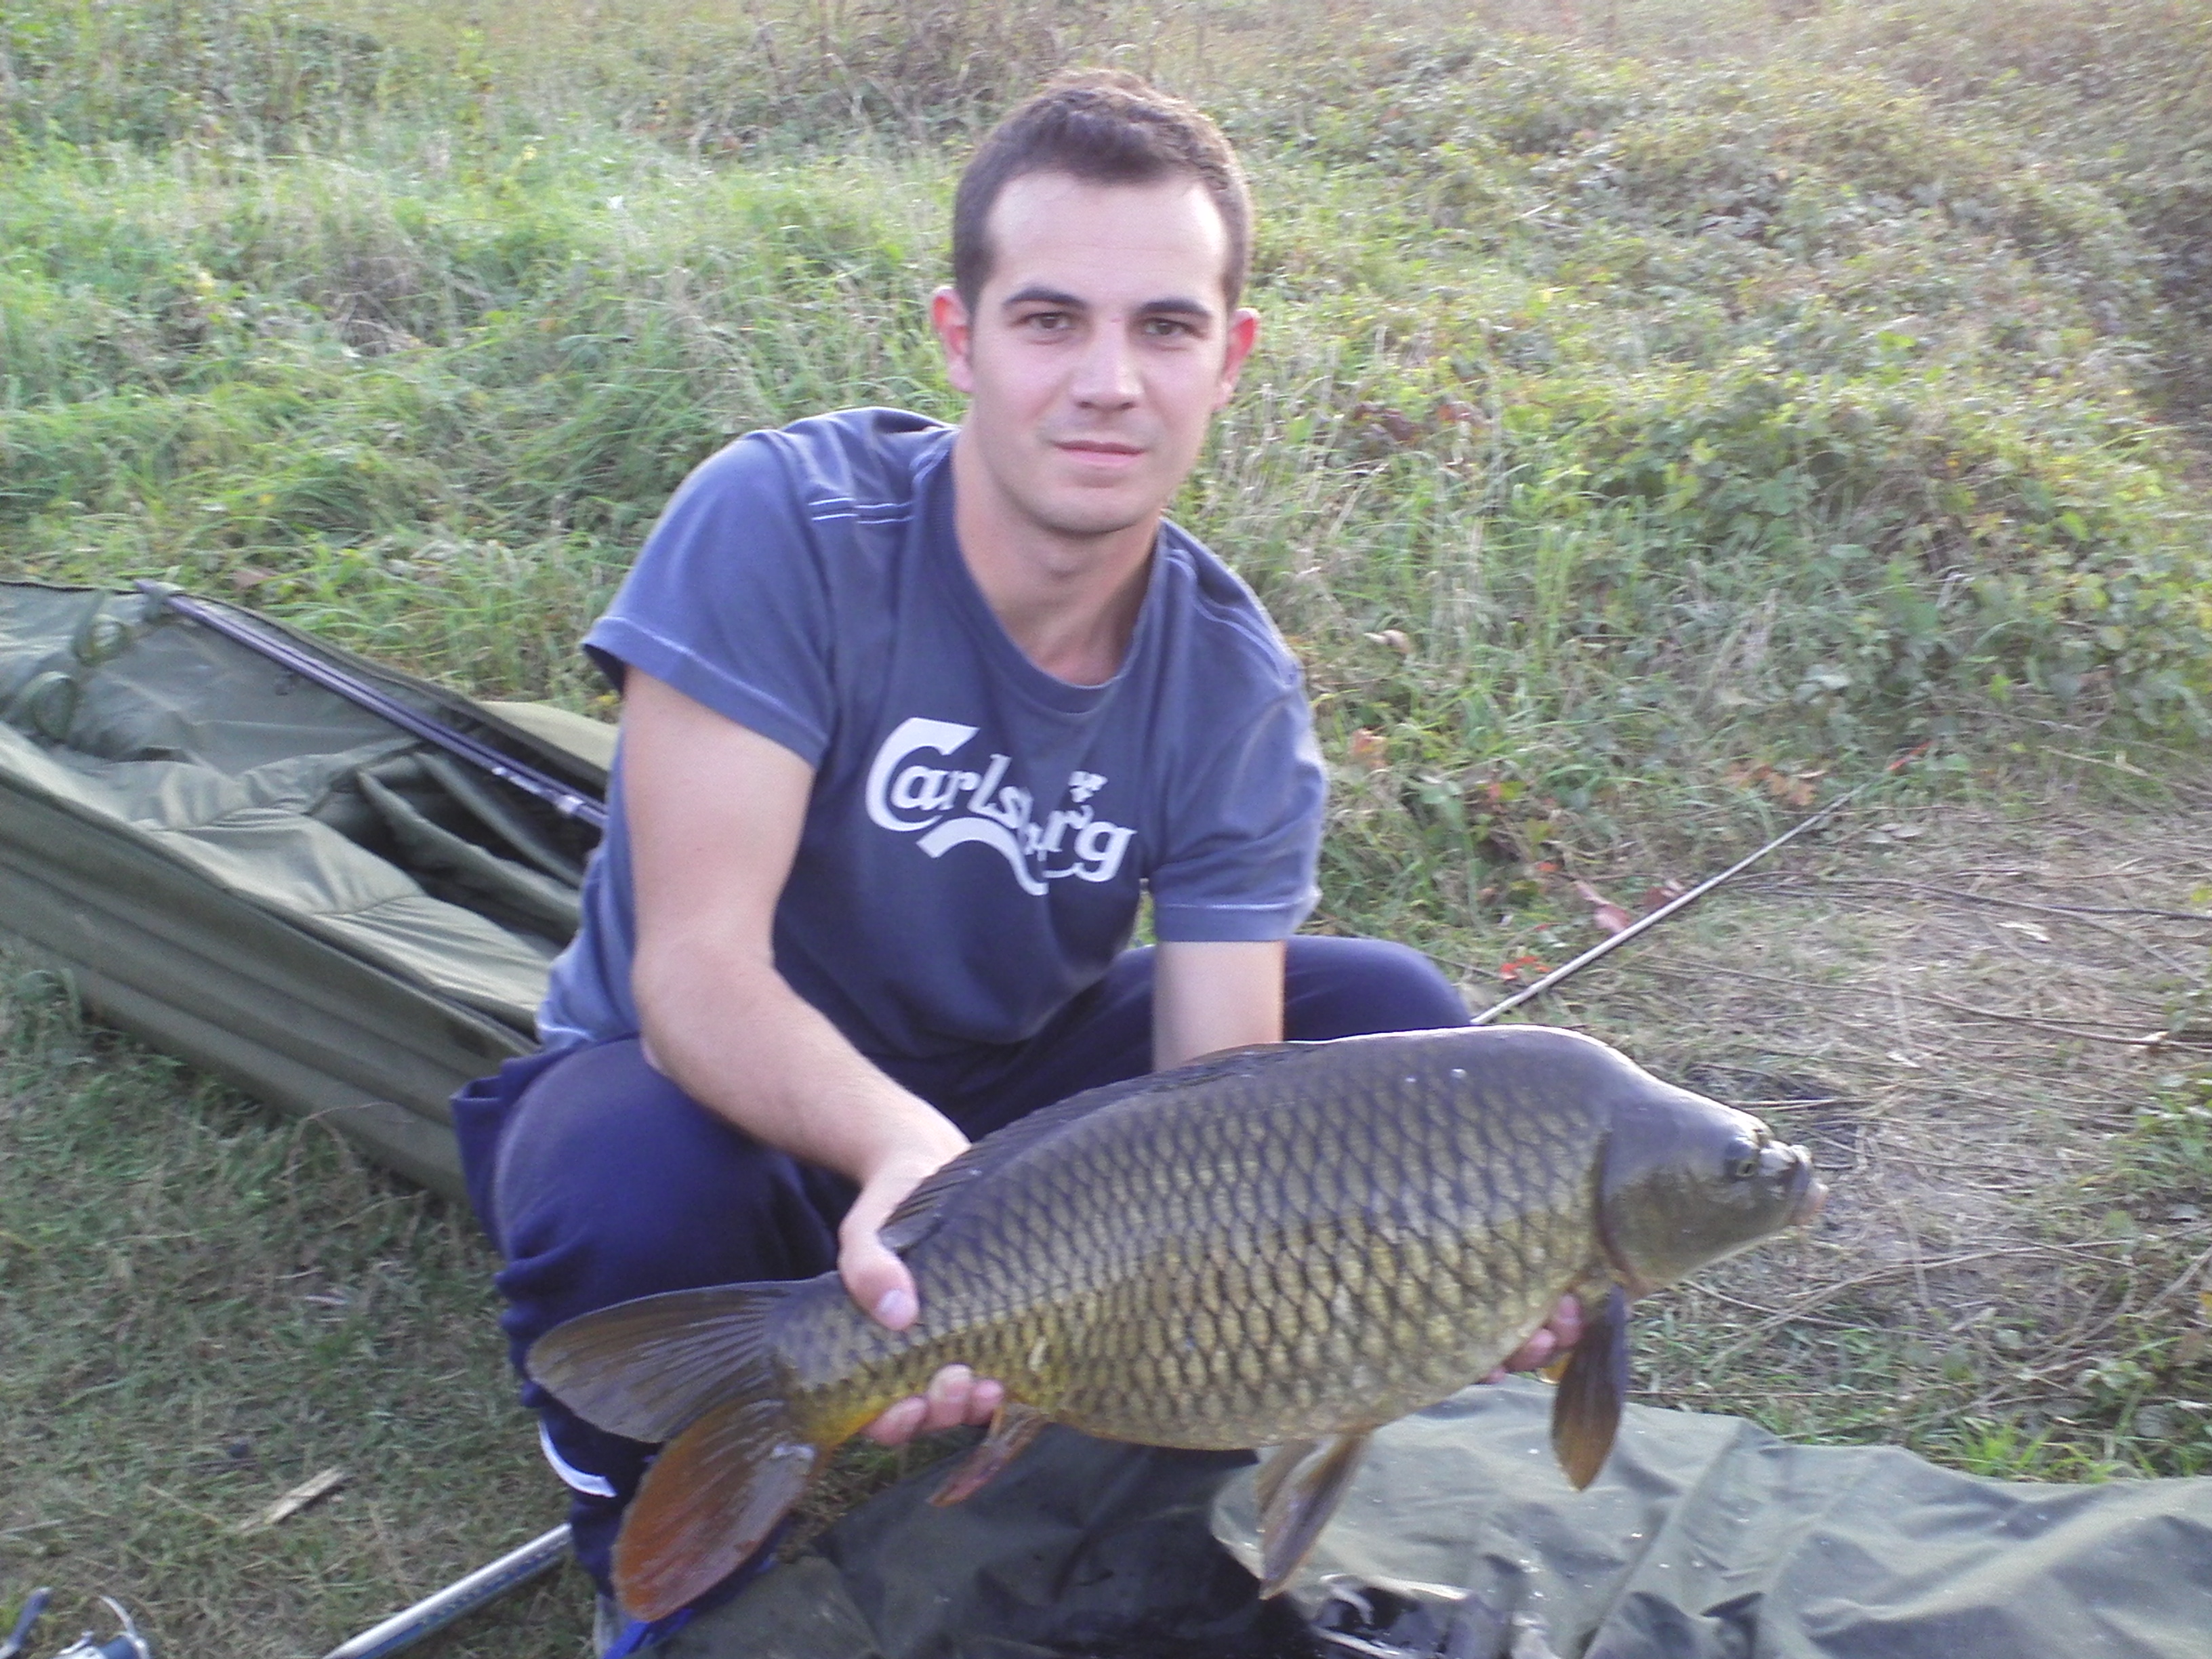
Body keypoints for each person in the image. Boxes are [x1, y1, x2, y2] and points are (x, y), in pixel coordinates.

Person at [450, 68, 1578, 1648]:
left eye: (1165, 328)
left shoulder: (1231, 681)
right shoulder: (781, 523)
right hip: (715, 1094)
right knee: (622, 1176)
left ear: (1230, 359)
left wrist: (1442, 1275)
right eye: (1051, 321)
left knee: (1393, 1021)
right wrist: (923, 1178)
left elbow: (1225, 1111)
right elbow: (694, 974)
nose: (1107, 383)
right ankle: (658, 1564)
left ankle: (1114, 1411)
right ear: (960, 337)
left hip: (1018, 1118)